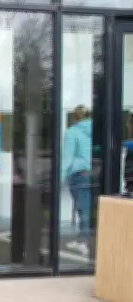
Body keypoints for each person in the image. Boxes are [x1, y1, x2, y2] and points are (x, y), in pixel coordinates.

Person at [61, 105, 92, 257]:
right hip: (91, 172)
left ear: (75, 117)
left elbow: (67, 158)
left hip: (77, 173)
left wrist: (60, 177)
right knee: (85, 208)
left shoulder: (72, 132)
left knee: (82, 209)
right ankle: (82, 239)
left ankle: (83, 243)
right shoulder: (94, 132)